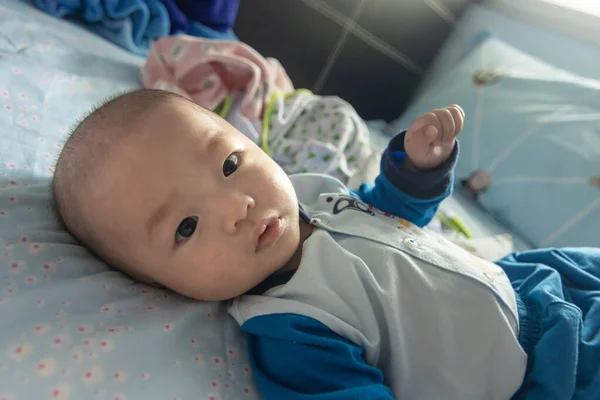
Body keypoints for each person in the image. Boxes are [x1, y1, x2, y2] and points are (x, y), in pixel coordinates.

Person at [52, 89, 599, 400]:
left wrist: (415, 172)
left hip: (533, 285)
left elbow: (391, 216)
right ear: (158, 284)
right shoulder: (291, 328)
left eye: (229, 164)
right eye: (186, 226)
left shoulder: (312, 195)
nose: (235, 206)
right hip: (540, 375)